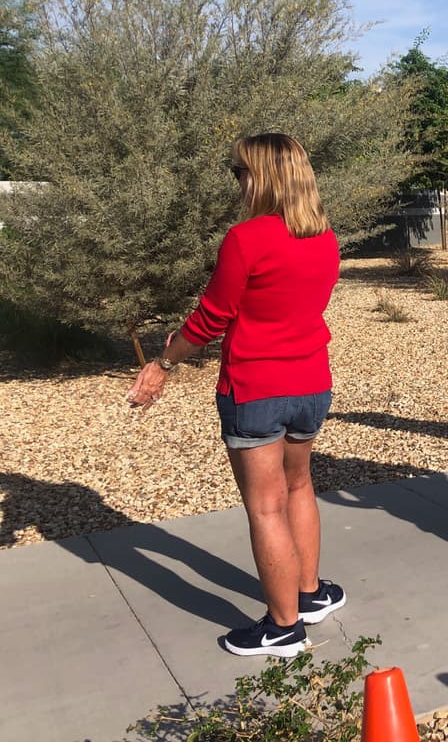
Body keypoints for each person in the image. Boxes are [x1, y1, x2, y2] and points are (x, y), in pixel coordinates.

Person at [125, 133, 343, 658]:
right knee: (299, 488)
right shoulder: (325, 237)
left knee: (266, 508)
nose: (238, 181)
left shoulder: (246, 238)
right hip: (312, 383)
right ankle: (310, 595)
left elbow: (210, 319)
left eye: (241, 172)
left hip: (256, 388)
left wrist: (162, 363)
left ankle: (284, 626)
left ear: (262, 177)